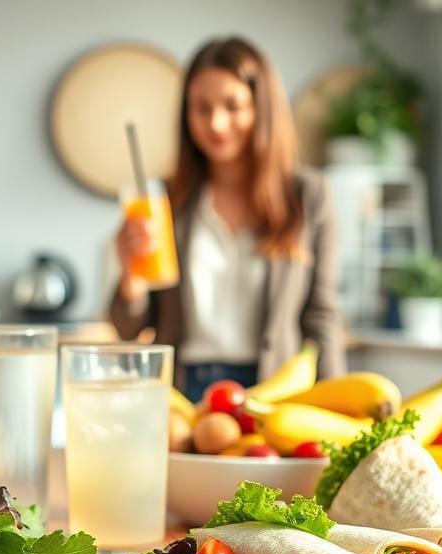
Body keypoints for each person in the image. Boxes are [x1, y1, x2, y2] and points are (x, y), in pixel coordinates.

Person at [110, 36, 346, 403]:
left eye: (232, 106)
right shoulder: (166, 201)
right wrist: (131, 275)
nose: (216, 123)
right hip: (184, 392)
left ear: (261, 108)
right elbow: (130, 328)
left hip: (276, 389)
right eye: (201, 109)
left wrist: (340, 407)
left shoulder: (309, 196)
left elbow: (321, 316)